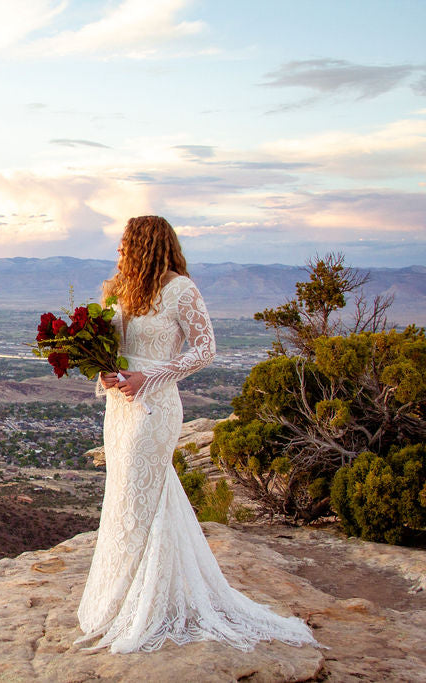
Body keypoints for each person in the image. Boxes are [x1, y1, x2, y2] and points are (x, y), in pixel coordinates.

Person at [75, 216, 319, 653]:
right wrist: (104, 370)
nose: (118, 251)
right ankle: (126, 600)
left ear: (145, 245)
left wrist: (149, 376)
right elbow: (114, 347)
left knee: (137, 494)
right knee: (126, 495)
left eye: (125, 243)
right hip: (120, 408)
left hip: (155, 407)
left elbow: (206, 349)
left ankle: (148, 605)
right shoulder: (120, 288)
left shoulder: (180, 290)